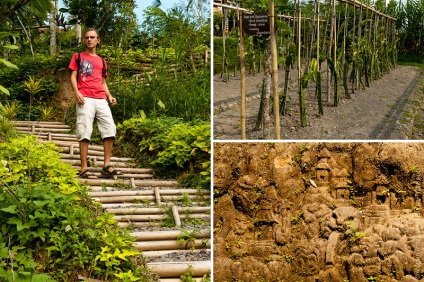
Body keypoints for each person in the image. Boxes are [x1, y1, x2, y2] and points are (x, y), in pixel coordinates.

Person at [68, 28, 122, 179]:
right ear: (84, 40)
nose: (89, 39)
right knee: (84, 130)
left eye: (92, 37)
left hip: (101, 98)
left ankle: (106, 165)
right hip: (85, 97)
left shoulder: (102, 61)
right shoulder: (78, 56)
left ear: (98, 40)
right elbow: (73, 76)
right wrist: (76, 92)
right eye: (87, 37)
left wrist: (110, 96)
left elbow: (103, 82)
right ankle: (84, 168)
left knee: (110, 128)